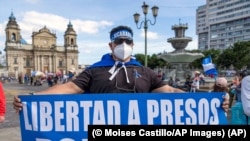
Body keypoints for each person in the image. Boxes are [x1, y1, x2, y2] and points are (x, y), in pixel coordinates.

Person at [13, 25, 229, 113]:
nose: (123, 46)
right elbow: (69, 88)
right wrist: (33, 98)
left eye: (127, 42)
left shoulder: (144, 71)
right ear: (111, 46)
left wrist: (210, 102)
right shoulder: (95, 71)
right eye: (118, 42)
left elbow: (171, 91)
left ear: (132, 45)